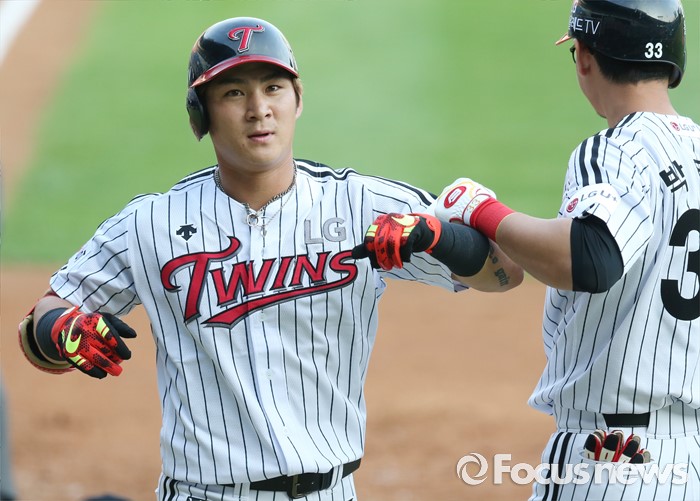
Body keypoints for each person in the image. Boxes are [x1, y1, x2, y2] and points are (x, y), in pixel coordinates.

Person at [18, 17, 522, 501]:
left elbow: (503, 274)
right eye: (234, 93)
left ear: (297, 100)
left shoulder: (361, 206)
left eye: (273, 88)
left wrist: (438, 236)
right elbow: (37, 326)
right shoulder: (150, 224)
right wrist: (58, 329)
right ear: (201, 113)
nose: (259, 109)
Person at [422, 0, 700, 499]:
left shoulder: (615, 148)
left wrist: (483, 210)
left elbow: (590, 257)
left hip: (611, 458)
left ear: (585, 58)